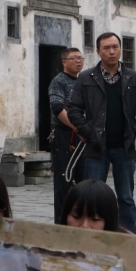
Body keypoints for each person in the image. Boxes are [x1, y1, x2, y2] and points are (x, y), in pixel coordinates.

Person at [66, 32, 136, 234]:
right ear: (98, 51)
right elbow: (74, 110)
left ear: (120, 49)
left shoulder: (134, 78)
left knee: (126, 197)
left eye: (115, 47)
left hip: (124, 148)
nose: (112, 51)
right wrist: (88, 132)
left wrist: (135, 130)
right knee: (91, 197)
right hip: (96, 149)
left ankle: (128, 238)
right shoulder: (86, 78)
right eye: (106, 48)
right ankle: (91, 236)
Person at [48, 48, 85, 223]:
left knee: (84, 181)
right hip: (64, 137)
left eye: (80, 58)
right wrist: (76, 127)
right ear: (64, 62)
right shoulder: (58, 82)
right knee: (63, 183)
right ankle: (61, 225)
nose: (78, 61)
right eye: (74, 58)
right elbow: (57, 108)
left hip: (83, 138)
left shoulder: (84, 81)